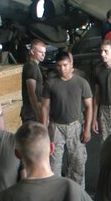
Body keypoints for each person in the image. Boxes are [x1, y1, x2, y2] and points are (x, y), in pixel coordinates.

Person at [40, 51, 93, 185]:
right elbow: (45, 107)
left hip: (75, 126)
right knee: (53, 163)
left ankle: (77, 195)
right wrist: (44, 128)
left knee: (78, 163)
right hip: (55, 127)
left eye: (65, 65)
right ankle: (56, 194)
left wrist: (87, 129)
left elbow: (89, 107)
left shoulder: (81, 83)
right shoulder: (50, 83)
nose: (62, 69)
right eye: (59, 66)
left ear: (71, 65)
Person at [21, 39, 47, 124]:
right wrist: (38, 113)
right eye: (40, 52)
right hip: (31, 112)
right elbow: (31, 92)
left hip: (33, 110)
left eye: (44, 52)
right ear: (32, 51)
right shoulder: (31, 66)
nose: (43, 55)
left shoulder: (34, 66)